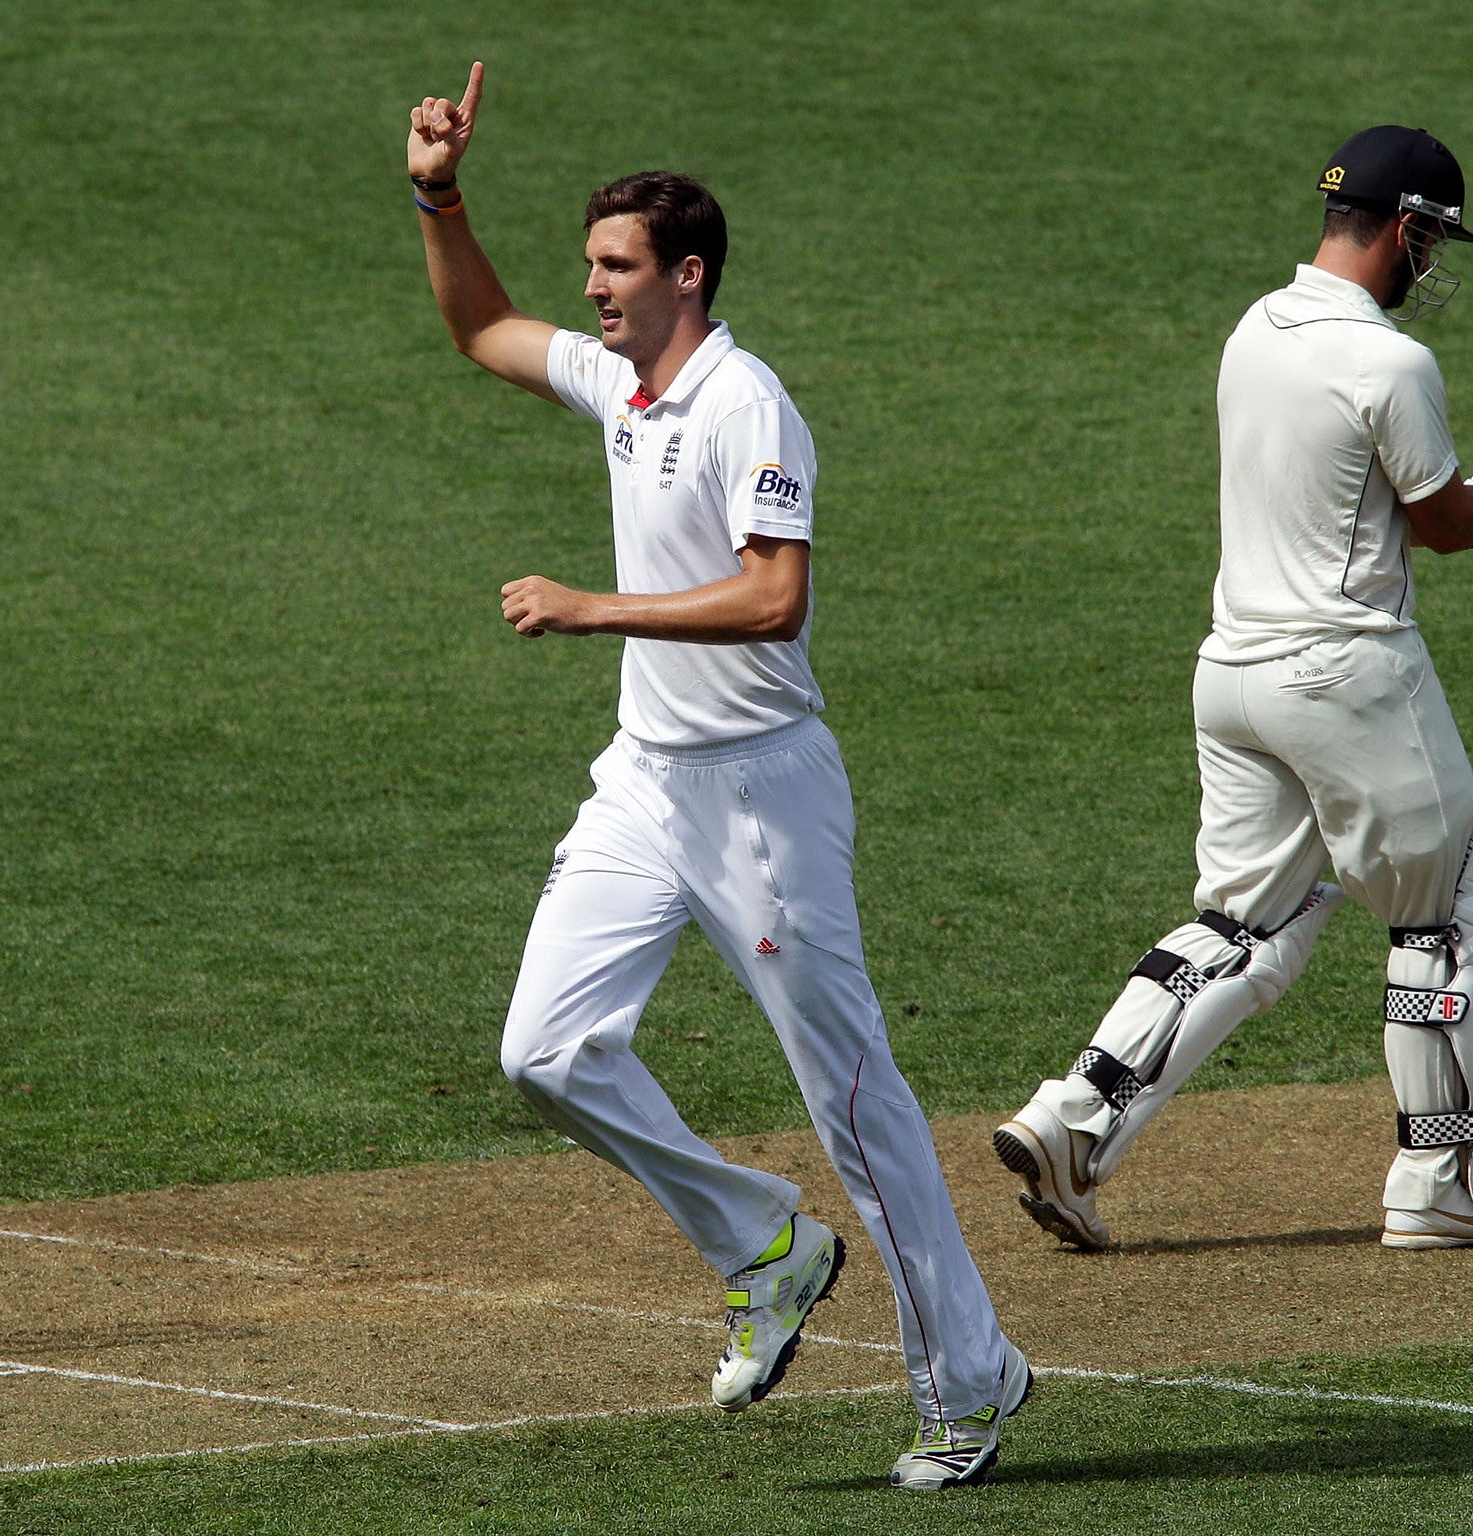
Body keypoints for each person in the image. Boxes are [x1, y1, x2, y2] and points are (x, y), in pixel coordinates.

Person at [407, 63, 1028, 1490]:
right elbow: (484, 328)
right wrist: (439, 193)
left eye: (618, 269)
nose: (597, 290)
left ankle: (971, 1381)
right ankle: (763, 1240)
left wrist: (592, 607)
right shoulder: (628, 387)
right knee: (546, 1054)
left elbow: (773, 600)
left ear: (687, 273)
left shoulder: (747, 403)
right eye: (593, 268)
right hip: (647, 781)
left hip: (761, 795)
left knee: (854, 1105)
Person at [994, 125, 1473, 1254]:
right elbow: (1438, 522)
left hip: (1234, 675)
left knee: (1240, 925)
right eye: (1432, 242)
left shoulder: (1252, 329)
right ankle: (1444, 1188)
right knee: (1449, 922)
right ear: (1405, 231)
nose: (1432, 265)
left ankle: (1071, 1120)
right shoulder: (1387, 362)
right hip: (1348, 675)